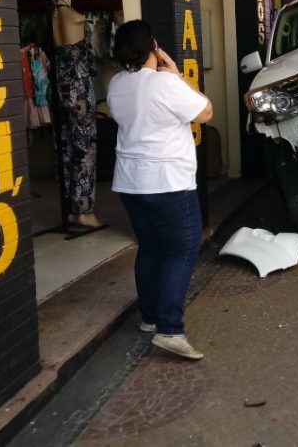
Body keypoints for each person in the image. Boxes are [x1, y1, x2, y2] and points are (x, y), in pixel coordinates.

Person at [108, 20, 214, 361]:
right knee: (182, 250)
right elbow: (205, 113)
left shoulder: (116, 84)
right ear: (153, 46)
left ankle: (150, 318)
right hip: (168, 181)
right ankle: (170, 329)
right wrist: (177, 75)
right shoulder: (165, 84)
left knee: (151, 248)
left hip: (130, 181)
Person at [53, 0, 102, 229]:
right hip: (79, 89)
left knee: (66, 150)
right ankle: (84, 210)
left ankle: (70, 209)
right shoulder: (69, 15)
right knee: (85, 152)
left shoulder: (53, 16)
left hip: (62, 86)